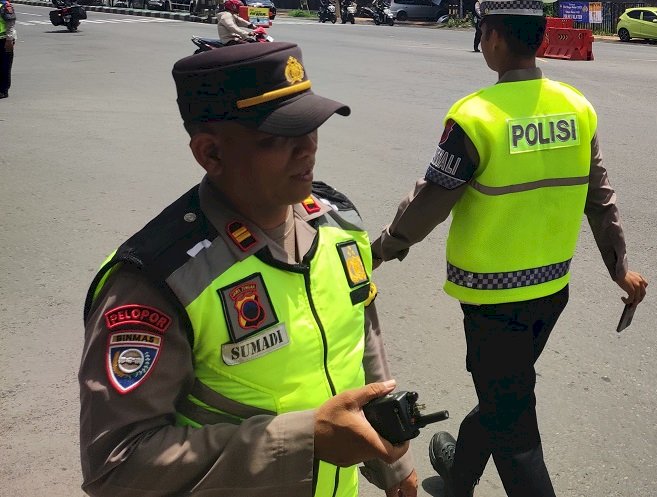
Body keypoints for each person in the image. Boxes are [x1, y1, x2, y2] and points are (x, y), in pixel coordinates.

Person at [78, 41, 419, 497]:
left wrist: (393, 463)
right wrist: (304, 441)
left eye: (311, 126)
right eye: (276, 138)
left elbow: (362, 344)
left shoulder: (337, 223)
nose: (307, 150)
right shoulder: (160, 280)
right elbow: (116, 466)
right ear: (210, 153)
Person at [372, 0, 648, 497]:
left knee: (518, 430)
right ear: (541, 38)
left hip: (491, 300)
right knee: (506, 392)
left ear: (493, 37)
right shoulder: (577, 107)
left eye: (482, 31)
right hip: (550, 293)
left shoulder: (474, 116)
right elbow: (601, 199)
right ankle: (458, 479)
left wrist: (384, 247)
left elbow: (431, 200)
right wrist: (618, 269)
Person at [0, 0, 15, 98]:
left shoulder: (5, 6)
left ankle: (3, 90)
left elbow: (10, 24)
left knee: (4, 66)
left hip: (4, 40)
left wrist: (9, 40)